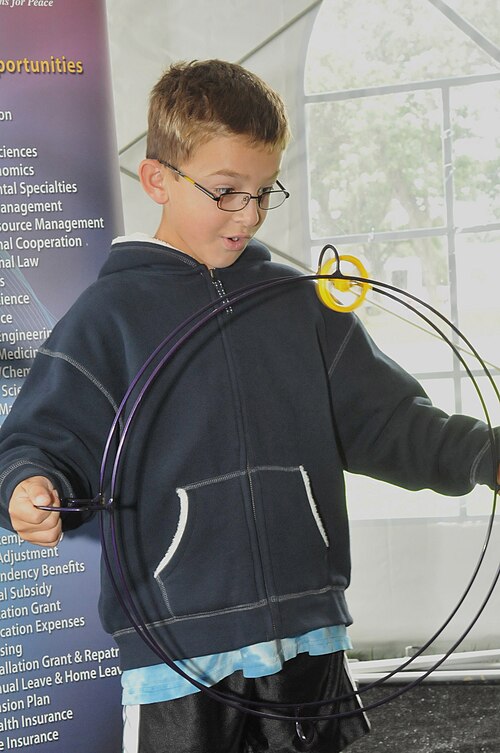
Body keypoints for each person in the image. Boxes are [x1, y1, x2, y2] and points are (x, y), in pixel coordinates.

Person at [0, 60, 498, 753]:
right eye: (227, 191)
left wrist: (485, 454)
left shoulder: (300, 302)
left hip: (308, 635)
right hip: (180, 656)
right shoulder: (105, 318)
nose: (249, 213)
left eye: (264, 192)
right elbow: (43, 441)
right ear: (158, 181)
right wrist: (30, 485)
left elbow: (387, 421)